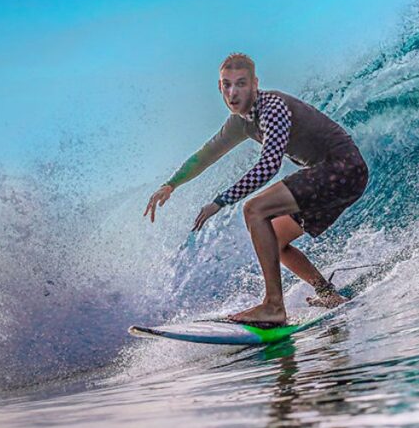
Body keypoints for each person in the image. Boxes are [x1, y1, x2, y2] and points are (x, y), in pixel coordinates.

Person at [143, 53, 369, 328]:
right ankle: (327, 293)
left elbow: (270, 164)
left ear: (254, 84)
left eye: (240, 84)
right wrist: (172, 184)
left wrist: (221, 201)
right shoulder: (240, 122)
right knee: (273, 238)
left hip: (342, 168)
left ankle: (274, 306)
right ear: (219, 87)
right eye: (227, 85)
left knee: (254, 209)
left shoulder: (273, 107)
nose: (233, 92)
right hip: (337, 175)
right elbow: (206, 154)